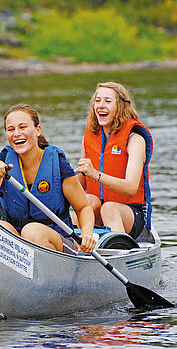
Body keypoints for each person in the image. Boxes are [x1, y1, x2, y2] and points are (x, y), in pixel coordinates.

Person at [0, 103, 96, 255]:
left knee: (32, 231)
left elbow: (83, 207)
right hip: (17, 242)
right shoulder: (0, 159)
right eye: (11, 129)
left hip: (56, 239)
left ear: (37, 130)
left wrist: (86, 234)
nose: (16, 133)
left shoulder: (57, 163)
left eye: (23, 127)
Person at [75, 82, 153, 239]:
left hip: (130, 214)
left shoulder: (135, 138)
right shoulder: (89, 137)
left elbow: (131, 188)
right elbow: (80, 183)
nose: (101, 106)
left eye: (108, 101)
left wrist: (96, 175)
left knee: (109, 208)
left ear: (121, 106)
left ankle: (120, 250)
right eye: (97, 101)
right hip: (99, 212)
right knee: (88, 201)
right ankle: (77, 248)